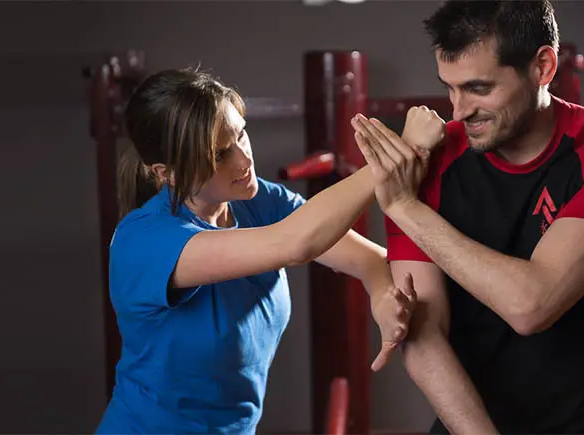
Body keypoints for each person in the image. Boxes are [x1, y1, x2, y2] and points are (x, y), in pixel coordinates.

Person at [351, 1, 584, 433]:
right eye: (450, 87)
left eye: (479, 88)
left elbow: (530, 305)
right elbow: (425, 337)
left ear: (543, 66)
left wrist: (407, 208)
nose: (459, 110)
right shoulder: (435, 162)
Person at [95, 67, 423, 435]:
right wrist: (395, 154)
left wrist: (381, 297)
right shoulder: (144, 241)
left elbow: (368, 259)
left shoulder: (259, 201)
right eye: (220, 155)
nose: (244, 160)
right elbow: (296, 243)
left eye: (241, 135)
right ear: (167, 173)